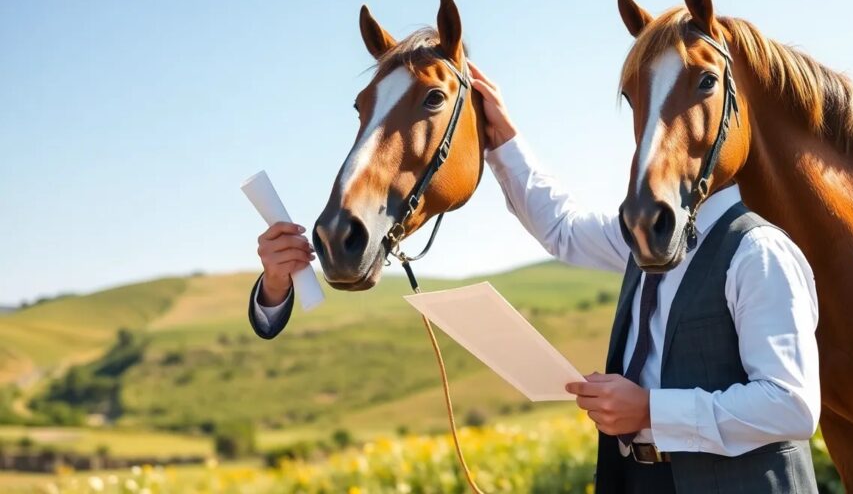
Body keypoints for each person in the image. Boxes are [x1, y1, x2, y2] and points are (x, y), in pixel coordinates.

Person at [244, 60, 820, 493]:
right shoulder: (644, 239)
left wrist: (650, 410)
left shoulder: (759, 253)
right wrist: (501, 145)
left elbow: (792, 405)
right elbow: (562, 228)